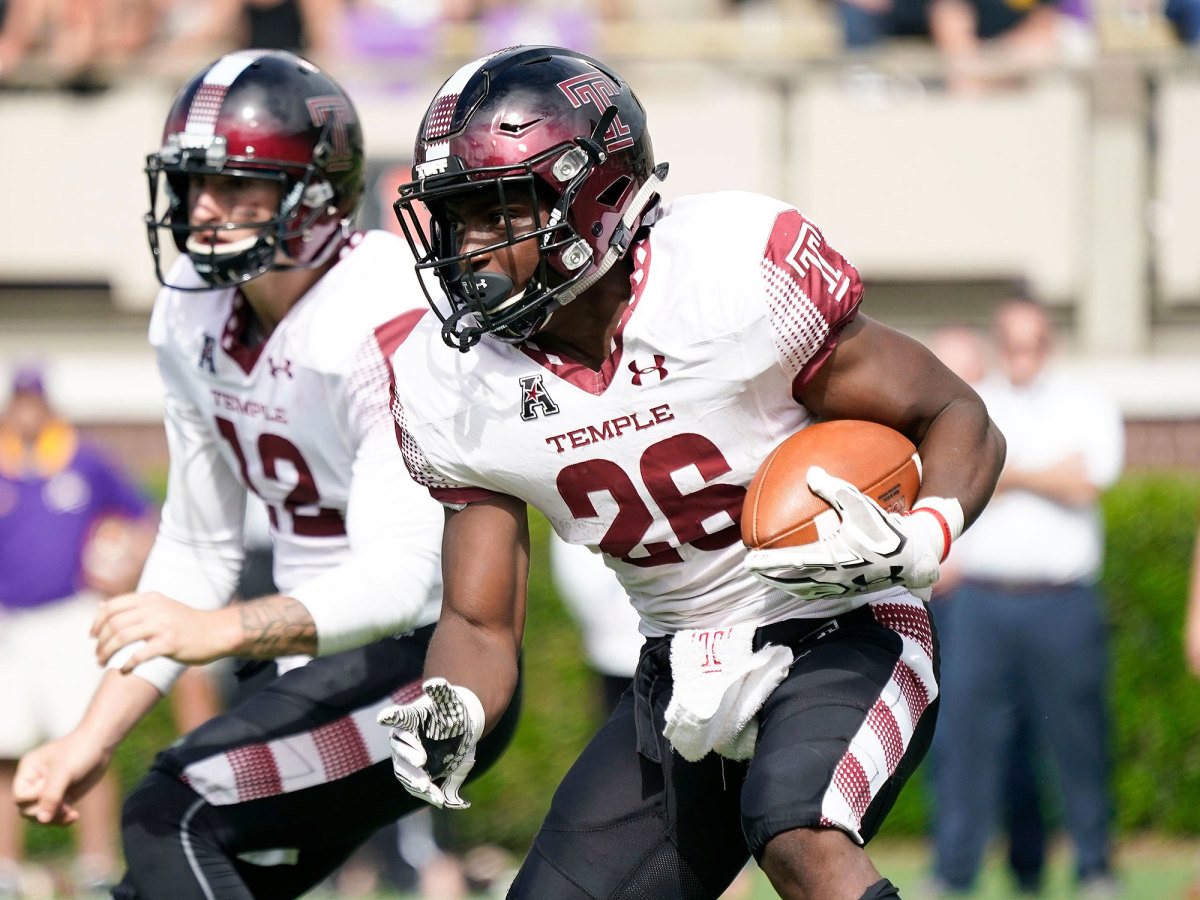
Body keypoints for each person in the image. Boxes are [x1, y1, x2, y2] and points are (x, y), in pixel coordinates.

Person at [374, 44, 1005, 900]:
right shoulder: (449, 378)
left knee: (799, 832)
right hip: (678, 665)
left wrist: (924, 535)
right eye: (456, 217)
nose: (471, 246)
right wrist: (452, 701)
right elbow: (480, 623)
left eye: (498, 210)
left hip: (844, 624)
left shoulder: (727, 276)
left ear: (590, 193)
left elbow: (955, 415)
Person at [13, 48, 519, 900]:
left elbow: (404, 579)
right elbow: (197, 550)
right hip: (314, 664)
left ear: (319, 194)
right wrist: (89, 737)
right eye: (194, 183)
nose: (204, 211)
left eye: (239, 186)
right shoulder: (192, 313)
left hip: (432, 666)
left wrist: (223, 632)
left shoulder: (382, 310)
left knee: (169, 812)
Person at [928, 297, 1124, 898]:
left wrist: (1008, 474)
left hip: (1061, 601)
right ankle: (954, 870)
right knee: (964, 743)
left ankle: (1095, 866)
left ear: (1049, 344)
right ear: (998, 346)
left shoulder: (1085, 403)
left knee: (1077, 739)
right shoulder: (981, 408)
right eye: (1010, 344)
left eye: (1031, 343)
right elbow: (967, 484)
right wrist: (1047, 474)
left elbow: (1086, 481)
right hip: (983, 604)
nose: (1021, 356)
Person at [0, 364, 154, 898]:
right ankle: (6, 867)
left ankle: (95, 861)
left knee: (86, 739)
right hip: (8, 623)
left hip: (70, 616)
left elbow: (140, 513)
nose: (25, 412)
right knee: (6, 749)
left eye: (33, 401)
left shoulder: (82, 458)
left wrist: (126, 562)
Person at [925, 324, 1048, 896]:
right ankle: (954, 865)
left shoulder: (995, 420)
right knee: (950, 746)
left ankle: (1028, 864)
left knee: (1019, 743)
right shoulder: (918, 427)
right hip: (936, 604)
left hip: (980, 601)